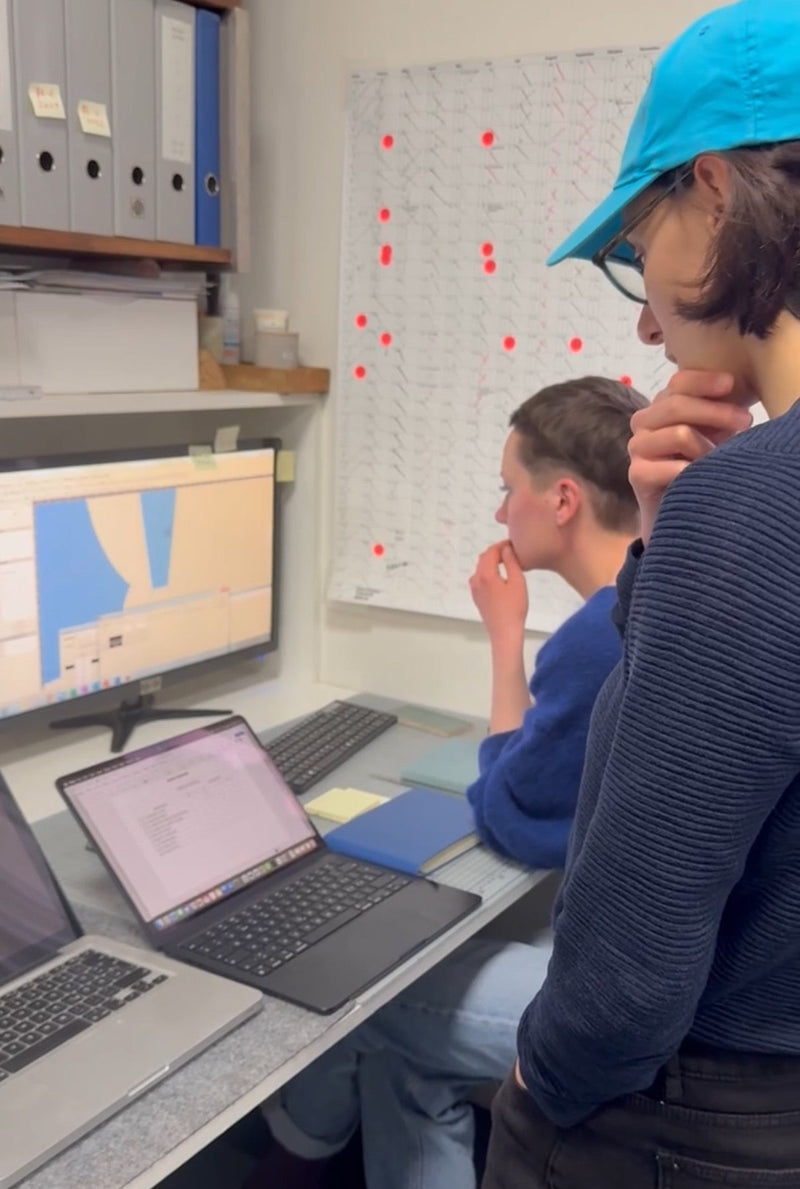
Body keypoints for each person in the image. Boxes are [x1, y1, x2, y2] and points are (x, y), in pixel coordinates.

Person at [482, 2, 800, 1185]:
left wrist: (537, 1081)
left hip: (697, 1118)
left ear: (709, 196)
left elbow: (625, 964)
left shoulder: (763, 506)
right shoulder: (741, 510)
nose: (640, 310)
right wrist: (670, 549)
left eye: (634, 243)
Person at [244, 376, 646, 1189]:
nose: (501, 514)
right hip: (677, 978)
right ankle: (300, 1149)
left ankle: (289, 1149)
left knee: (374, 1007)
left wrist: (504, 639)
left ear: (562, 498)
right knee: (408, 1060)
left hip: (629, 1004)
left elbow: (509, 817)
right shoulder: (658, 598)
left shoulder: (597, 637)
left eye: (509, 490)